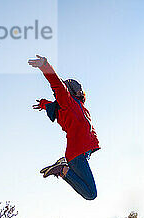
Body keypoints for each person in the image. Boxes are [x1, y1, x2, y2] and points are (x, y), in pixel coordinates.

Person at [28, 55, 100, 201]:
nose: (81, 91)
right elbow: (57, 84)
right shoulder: (68, 102)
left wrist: (44, 104)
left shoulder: (77, 106)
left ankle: (63, 168)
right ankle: (62, 169)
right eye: (77, 88)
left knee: (89, 192)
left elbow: (52, 105)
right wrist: (44, 66)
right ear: (71, 90)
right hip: (77, 153)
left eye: (81, 89)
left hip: (81, 153)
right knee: (91, 194)